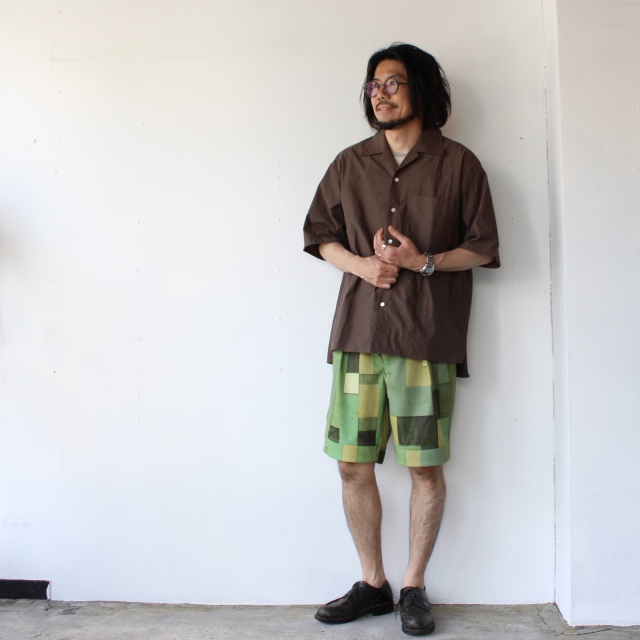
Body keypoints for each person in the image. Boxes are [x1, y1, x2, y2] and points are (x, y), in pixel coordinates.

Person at [303, 43, 500, 636]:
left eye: (392, 82)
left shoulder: (459, 164)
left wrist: (422, 262)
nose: (380, 93)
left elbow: (483, 247)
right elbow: (319, 234)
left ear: (420, 89)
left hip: (425, 338)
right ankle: (373, 585)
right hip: (360, 334)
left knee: (424, 468)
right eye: (373, 85)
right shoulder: (349, 163)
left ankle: (413, 585)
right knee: (351, 465)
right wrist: (363, 266)